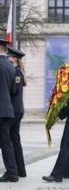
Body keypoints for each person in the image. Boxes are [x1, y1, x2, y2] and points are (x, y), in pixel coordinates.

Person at [7, 47, 27, 178]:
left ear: (14, 58)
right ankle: (20, 170)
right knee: (14, 139)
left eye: (9, 56)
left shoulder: (17, 72)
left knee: (6, 138)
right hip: (17, 110)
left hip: (14, 110)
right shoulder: (17, 71)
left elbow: (14, 91)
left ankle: (13, 170)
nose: (7, 58)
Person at [0, 39, 18, 182]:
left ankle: (12, 172)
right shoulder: (11, 67)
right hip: (6, 108)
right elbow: (13, 90)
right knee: (6, 141)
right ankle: (12, 171)